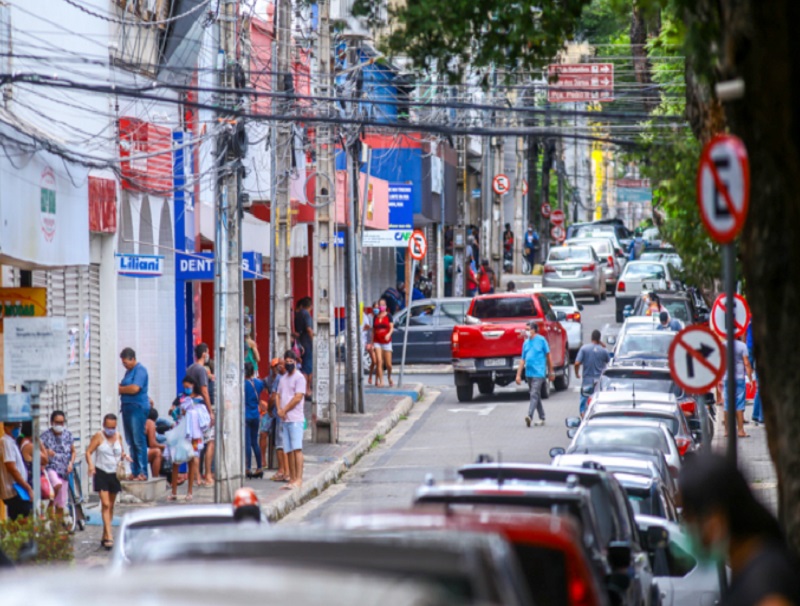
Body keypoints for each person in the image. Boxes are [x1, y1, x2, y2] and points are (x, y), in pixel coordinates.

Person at [679, 454, 800, 606]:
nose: (686, 528)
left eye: (688, 518)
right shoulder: (751, 566)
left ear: (715, 521)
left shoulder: (764, 580)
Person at [86, 414, 128, 549]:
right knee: (105, 504)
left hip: (114, 474)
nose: (111, 430)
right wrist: (91, 465)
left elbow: (120, 451)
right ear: (104, 426)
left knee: (110, 505)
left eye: (113, 427)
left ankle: (105, 533)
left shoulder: (118, 436)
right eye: (108, 427)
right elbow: (88, 452)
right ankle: (109, 535)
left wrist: (124, 456)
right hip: (101, 472)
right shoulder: (99, 436)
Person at [168, 376, 209, 501]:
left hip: (194, 435)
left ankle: (189, 492)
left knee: (191, 461)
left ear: (193, 385)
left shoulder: (200, 400)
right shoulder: (181, 397)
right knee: (176, 461)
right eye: (185, 387)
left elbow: (203, 416)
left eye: (188, 387)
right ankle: (174, 491)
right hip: (180, 433)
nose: (186, 389)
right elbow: (172, 409)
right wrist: (173, 411)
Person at [276, 350, 306, 490]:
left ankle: (299, 479)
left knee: (297, 449)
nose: (288, 364)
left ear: (295, 362)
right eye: (286, 361)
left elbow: (298, 397)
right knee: (288, 450)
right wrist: (278, 410)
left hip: (295, 419)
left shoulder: (299, 378)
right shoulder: (283, 379)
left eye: (290, 361)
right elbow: (277, 395)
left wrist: (285, 410)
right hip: (285, 420)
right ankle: (292, 479)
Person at [118, 348, 149, 481]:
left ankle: (142, 471)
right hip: (127, 408)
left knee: (138, 440)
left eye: (126, 362)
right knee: (130, 441)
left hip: (137, 408)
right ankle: (135, 470)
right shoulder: (128, 372)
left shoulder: (140, 370)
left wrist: (120, 389)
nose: (124, 365)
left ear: (132, 359)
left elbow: (135, 388)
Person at [515, 322, 555, 427]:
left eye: (528, 329)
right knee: (535, 395)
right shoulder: (526, 343)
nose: (526, 331)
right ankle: (542, 417)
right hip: (529, 373)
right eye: (526, 329)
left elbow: (548, 356)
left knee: (533, 394)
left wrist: (551, 371)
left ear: (534, 330)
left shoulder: (541, 340)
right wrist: (518, 375)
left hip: (539, 373)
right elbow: (522, 360)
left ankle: (530, 416)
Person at [186, 343, 215, 487]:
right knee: (210, 441)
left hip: (191, 407)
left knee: (195, 444)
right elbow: (204, 391)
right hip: (201, 408)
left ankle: (197, 477)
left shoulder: (190, 368)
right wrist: (210, 411)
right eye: (208, 352)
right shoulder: (201, 370)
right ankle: (208, 475)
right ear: (204, 354)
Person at [41, 410, 75, 519]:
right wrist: (46, 452)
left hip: (64, 470)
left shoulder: (68, 435)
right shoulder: (45, 436)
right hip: (51, 467)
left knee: (60, 504)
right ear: (52, 422)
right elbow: (39, 452)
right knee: (57, 484)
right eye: (57, 422)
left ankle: (57, 527)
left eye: (61, 422)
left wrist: (71, 463)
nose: (59, 425)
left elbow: (73, 451)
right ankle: (50, 503)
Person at [263, 358, 290, 483]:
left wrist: (269, 409)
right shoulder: (288, 377)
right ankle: (287, 471)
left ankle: (282, 471)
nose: (278, 367)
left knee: (280, 444)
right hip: (287, 414)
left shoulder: (280, 378)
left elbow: (273, 397)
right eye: (276, 366)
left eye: (280, 365)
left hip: (280, 415)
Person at [18, 422, 56, 509]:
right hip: (32, 484)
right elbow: (45, 460)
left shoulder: (22, 442)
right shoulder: (30, 446)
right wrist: (40, 444)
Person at [723, 335, 754, 439]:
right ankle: (740, 430)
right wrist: (750, 379)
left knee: (727, 404)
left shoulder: (723, 345)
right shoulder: (742, 346)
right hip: (739, 378)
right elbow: (746, 363)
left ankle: (727, 431)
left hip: (726, 378)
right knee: (739, 404)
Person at [574, 330, 611, 416]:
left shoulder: (584, 348)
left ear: (591, 337)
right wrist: (602, 345)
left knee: (584, 402)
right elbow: (609, 362)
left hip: (587, 380)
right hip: (599, 381)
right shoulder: (603, 350)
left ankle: (583, 416)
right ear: (599, 339)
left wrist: (576, 373)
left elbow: (576, 363)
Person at [1, 422, 33, 519]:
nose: (17, 430)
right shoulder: (5, 442)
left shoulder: (11, 442)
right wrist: (27, 487)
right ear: (6, 428)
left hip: (18, 490)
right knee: (23, 518)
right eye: (14, 427)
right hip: (15, 491)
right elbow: (11, 467)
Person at [244, 362, 265, 479]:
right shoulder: (258, 383)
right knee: (254, 442)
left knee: (247, 443)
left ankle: (248, 468)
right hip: (256, 415)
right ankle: (259, 466)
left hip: (245, 416)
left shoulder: (242, 384)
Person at [294, 297, 314, 401]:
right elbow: (309, 329)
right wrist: (314, 341)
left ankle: (305, 390)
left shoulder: (298, 314)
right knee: (307, 368)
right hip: (307, 343)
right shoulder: (306, 314)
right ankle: (307, 391)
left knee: (303, 366)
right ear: (310, 306)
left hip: (300, 343)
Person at [372, 298, 394, 387]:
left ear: (385, 306)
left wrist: (388, 334)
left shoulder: (389, 316)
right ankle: (381, 381)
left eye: (383, 305)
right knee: (379, 361)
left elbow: (392, 328)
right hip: (377, 342)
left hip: (387, 342)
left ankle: (389, 377)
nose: (381, 306)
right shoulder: (375, 317)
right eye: (380, 304)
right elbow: (373, 330)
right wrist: (372, 342)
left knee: (388, 364)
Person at [747, 322, 763, 425]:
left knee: (760, 388)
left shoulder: (751, 321)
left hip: (754, 354)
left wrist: (751, 366)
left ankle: (756, 414)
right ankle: (761, 416)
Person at [145, 407, 164, 481]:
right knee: (157, 452)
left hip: (137, 451)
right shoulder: (150, 423)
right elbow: (152, 443)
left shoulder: (140, 421)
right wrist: (163, 447)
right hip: (143, 451)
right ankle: (155, 478)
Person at [363, 303, 378, 385]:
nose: (376, 309)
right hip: (370, 342)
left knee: (378, 362)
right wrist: (369, 343)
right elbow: (369, 330)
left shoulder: (380, 317)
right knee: (375, 361)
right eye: (375, 307)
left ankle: (375, 380)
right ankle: (371, 376)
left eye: (377, 308)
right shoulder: (369, 317)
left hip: (379, 341)